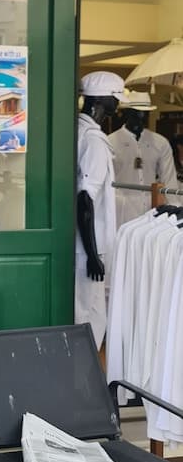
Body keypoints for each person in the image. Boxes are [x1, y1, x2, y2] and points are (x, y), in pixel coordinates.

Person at [75, 71, 125, 348]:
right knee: (89, 318)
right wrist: (93, 255)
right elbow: (85, 198)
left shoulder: (77, 131)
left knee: (84, 314)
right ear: (102, 100)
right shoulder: (93, 140)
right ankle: (84, 372)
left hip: (81, 244)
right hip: (87, 247)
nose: (117, 104)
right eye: (115, 97)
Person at [108, 91, 179, 227]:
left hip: (151, 210)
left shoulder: (160, 143)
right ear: (126, 113)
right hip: (121, 209)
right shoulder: (110, 142)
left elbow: (169, 180)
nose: (140, 118)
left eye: (144, 114)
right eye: (136, 113)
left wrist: (175, 210)